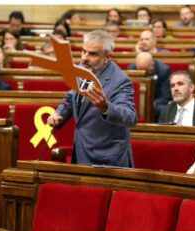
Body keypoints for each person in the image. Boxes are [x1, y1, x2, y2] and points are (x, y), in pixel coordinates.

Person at [48, 30, 136, 167]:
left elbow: (130, 117)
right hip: (81, 153)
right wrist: (58, 114)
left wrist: (106, 107)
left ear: (108, 56)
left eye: (92, 54)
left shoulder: (121, 80)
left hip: (107, 161)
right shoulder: (81, 69)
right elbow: (71, 97)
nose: (84, 58)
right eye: (83, 51)